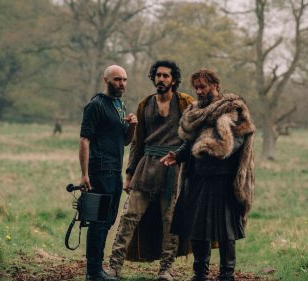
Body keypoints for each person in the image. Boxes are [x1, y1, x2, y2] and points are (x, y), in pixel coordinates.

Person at [160, 68, 256, 281]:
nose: (199, 91)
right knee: (198, 229)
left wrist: (220, 149)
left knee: (226, 231)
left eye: (203, 86)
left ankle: (226, 275)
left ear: (215, 85)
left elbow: (238, 139)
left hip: (223, 180)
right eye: (196, 88)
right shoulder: (196, 112)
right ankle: (200, 274)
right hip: (197, 178)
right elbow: (189, 141)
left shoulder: (233, 109)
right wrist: (177, 156)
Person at [108, 60, 194, 281]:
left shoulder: (186, 103)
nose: (161, 79)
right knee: (129, 216)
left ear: (174, 80)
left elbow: (195, 134)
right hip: (147, 167)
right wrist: (129, 174)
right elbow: (138, 142)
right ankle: (114, 267)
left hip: (174, 168)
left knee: (170, 221)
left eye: (166, 76)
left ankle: (166, 269)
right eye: (158, 75)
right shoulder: (146, 104)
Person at [79, 64, 137, 281]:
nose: (121, 83)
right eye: (116, 79)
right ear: (106, 80)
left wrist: (132, 126)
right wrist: (85, 174)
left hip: (115, 170)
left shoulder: (119, 106)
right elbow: (85, 139)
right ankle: (93, 272)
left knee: (108, 220)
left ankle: (97, 269)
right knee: (98, 221)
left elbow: (124, 141)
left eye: (124, 79)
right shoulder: (95, 105)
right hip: (99, 170)